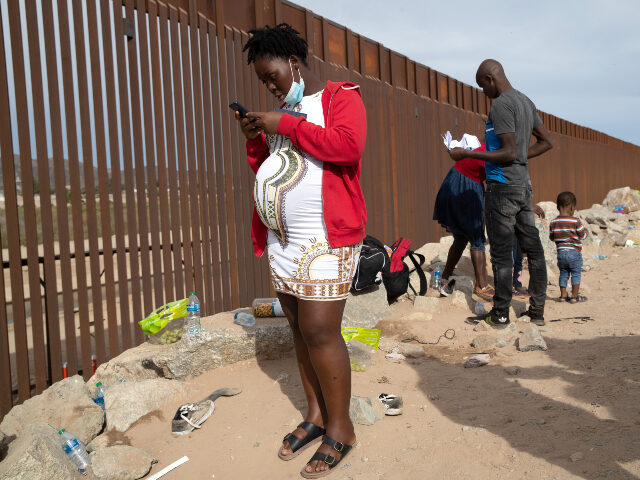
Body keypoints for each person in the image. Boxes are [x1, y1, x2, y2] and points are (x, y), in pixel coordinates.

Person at [236, 24, 366, 478]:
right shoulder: (279, 115)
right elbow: (275, 167)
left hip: (326, 239)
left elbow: (348, 148)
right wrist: (258, 136)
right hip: (284, 242)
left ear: (293, 63)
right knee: (296, 324)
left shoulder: (337, 98)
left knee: (320, 329)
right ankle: (315, 415)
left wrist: (284, 124)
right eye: (262, 82)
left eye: (272, 75)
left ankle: (342, 428)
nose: (269, 86)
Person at [449, 59, 554, 328]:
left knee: (501, 253)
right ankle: (537, 310)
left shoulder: (501, 105)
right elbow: (546, 142)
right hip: (522, 187)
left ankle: (501, 313)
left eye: (481, 86)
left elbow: (507, 151)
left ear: (489, 79)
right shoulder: (526, 102)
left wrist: (466, 154)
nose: (482, 92)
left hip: (502, 187)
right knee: (534, 250)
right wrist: (521, 157)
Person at [433, 143, 494, 299]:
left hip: (453, 184)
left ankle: (445, 276)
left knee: (460, 238)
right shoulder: (491, 150)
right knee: (477, 239)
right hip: (467, 189)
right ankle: (481, 286)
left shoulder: (476, 144)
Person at [549, 191, 588, 303]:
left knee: (564, 273)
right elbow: (582, 236)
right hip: (574, 252)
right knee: (576, 273)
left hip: (561, 253)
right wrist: (586, 232)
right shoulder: (575, 221)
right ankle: (574, 296)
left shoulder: (553, 222)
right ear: (572, 207)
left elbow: (552, 237)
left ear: (557, 207)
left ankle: (562, 295)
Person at [512, 204, 546, 296]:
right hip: (508, 226)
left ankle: (517, 284)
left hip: (518, 226)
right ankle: (508, 286)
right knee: (510, 258)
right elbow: (510, 201)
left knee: (518, 257)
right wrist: (527, 207)